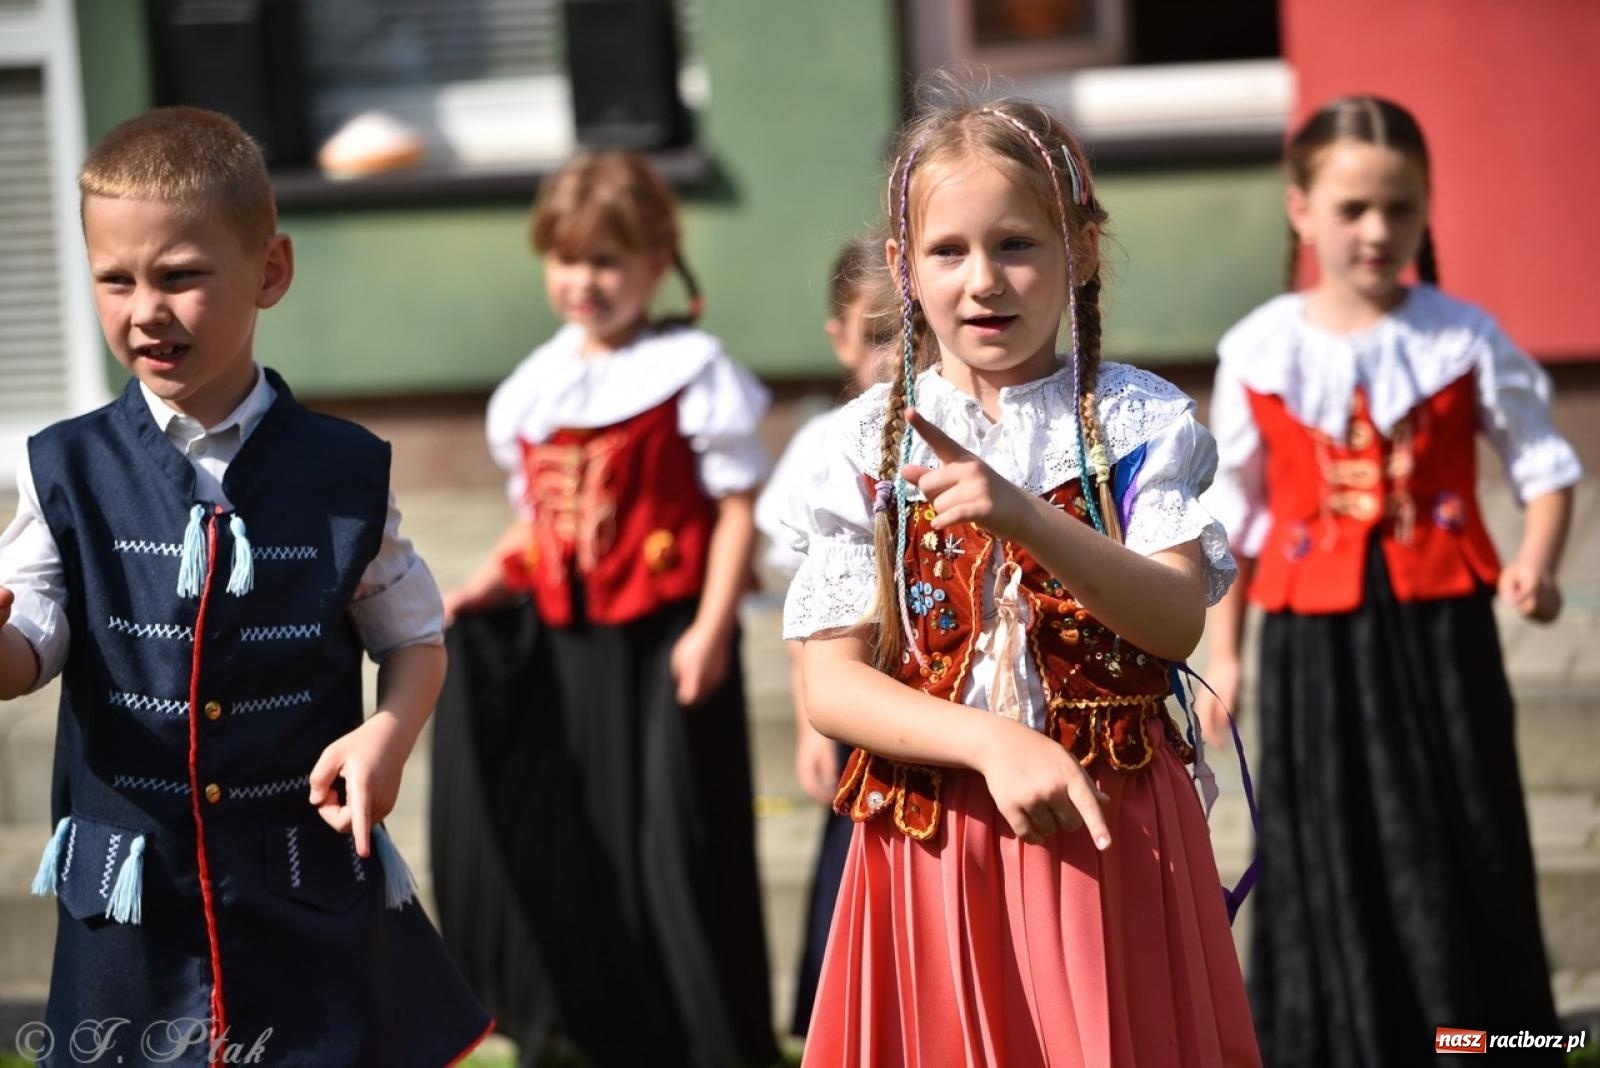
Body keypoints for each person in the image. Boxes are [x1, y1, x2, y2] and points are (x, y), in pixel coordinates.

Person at [0, 106, 490, 1066]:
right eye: (115, 279)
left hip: (299, 890)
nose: (146, 309)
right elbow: (30, 648)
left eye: (182, 276)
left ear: (269, 271)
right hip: (132, 911)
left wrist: (386, 739)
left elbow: (415, 637)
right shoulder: (61, 468)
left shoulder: (344, 471)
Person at [781, 87, 1260, 1067]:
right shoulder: (858, 444)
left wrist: (1024, 514)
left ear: (1080, 253)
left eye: (1017, 245)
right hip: (936, 832)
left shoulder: (1136, 424)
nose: (983, 280)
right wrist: (991, 743)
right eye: (948, 251)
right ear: (901, 271)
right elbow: (828, 684)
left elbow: (1173, 621)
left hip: (1110, 819)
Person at [1197, 95, 1581, 1065]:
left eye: (1399, 209)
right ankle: (1343, 1042)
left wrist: (1533, 564)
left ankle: (1485, 1043)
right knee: (1325, 836)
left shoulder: (1462, 335)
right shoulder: (1258, 347)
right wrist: (1224, 653)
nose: (1376, 232)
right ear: (1300, 211)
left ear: (1424, 211)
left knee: (1462, 830)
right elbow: (1233, 522)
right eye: (1352, 209)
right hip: (1308, 641)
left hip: (1439, 634)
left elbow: (1543, 468)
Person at [440, 150, 781, 1067]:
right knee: (583, 835)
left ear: (657, 259)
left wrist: (713, 628)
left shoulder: (691, 371)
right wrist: (481, 584)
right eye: (567, 261)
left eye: (606, 262)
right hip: (566, 647)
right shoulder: (535, 390)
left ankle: (702, 1036)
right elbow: (535, 527)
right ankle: (600, 1026)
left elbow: (738, 509)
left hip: (668, 638)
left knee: (676, 838)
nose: (583, 283)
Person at [752, 231, 893, 1037]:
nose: (893, 353)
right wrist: (811, 712)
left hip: (941, 685)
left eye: (906, 330)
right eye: (875, 333)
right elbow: (803, 598)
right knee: (852, 858)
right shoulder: (826, 445)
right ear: (838, 336)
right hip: (856, 692)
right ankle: (845, 1016)